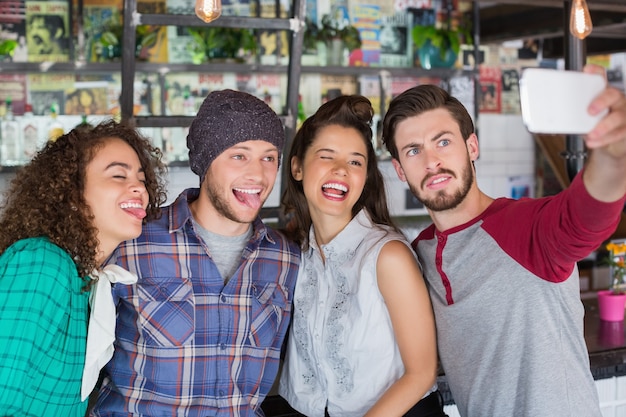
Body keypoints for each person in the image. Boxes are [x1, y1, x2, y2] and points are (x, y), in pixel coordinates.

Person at [381, 65, 626, 417]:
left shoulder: (526, 227)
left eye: (443, 142)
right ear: (401, 169)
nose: (432, 162)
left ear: (472, 146)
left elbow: (588, 214)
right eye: (414, 150)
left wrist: (613, 156)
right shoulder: (419, 254)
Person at [91, 89, 301, 416]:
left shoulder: (286, 259)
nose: (258, 175)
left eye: (269, 157)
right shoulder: (132, 241)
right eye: (239, 155)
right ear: (205, 161)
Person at [278, 95, 445, 417]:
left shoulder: (387, 256)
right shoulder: (296, 256)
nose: (341, 170)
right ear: (297, 167)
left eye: (355, 161)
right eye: (327, 157)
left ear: (365, 176)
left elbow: (421, 373)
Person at [0, 120, 167, 416]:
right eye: (118, 175)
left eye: (142, 179)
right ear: (72, 195)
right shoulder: (43, 263)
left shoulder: (84, 279)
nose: (139, 188)